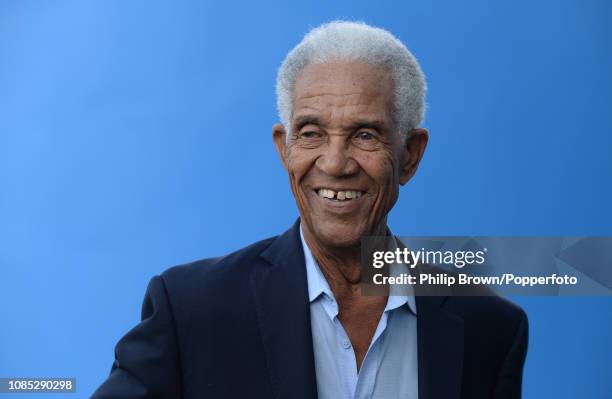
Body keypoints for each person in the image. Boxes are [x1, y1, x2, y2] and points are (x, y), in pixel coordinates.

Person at [92, 20, 528, 399]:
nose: (335, 164)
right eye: (312, 132)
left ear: (410, 155)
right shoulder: (190, 310)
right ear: (285, 149)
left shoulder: (489, 326)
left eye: (365, 135)